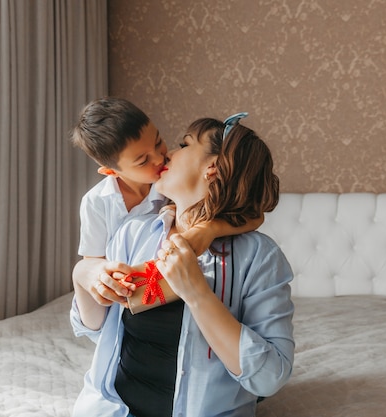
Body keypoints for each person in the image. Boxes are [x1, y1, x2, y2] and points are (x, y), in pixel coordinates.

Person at [70, 113, 295, 417]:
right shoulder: (133, 232)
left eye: (183, 144)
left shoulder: (258, 257)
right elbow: (94, 327)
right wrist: (86, 277)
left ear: (212, 168)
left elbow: (270, 377)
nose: (167, 154)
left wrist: (198, 295)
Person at [70, 98, 262, 310]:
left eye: (158, 142)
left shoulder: (169, 184)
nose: (159, 158)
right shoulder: (96, 203)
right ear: (110, 171)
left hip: (177, 283)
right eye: (143, 161)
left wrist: (209, 229)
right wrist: (99, 275)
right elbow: (92, 263)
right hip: (128, 293)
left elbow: (254, 215)